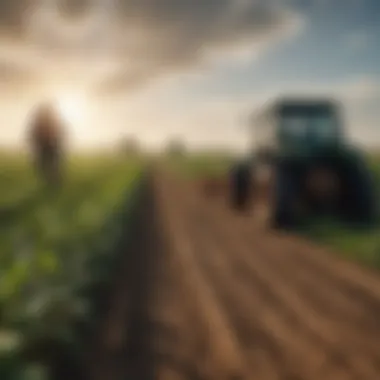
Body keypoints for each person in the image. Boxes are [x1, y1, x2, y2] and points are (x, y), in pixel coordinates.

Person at [28, 103, 65, 187]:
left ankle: (54, 183)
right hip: (43, 148)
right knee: (43, 167)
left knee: (53, 167)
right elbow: (34, 134)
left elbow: (59, 134)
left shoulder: (54, 121)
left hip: (51, 148)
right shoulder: (39, 122)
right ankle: (49, 182)